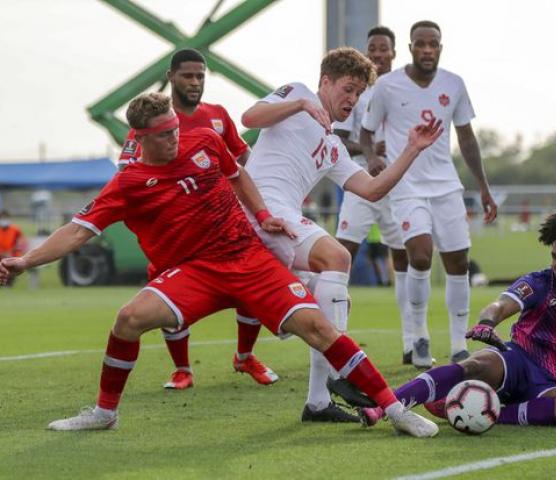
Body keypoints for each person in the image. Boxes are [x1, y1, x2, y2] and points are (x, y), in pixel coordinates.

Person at [0, 92, 439, 438]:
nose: (175, 138)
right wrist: (24, 260)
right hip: (196, 271)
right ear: (138, 138)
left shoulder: (205, 141)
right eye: (163, 134)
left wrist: (263, 213)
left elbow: (238, 175)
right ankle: (103, 413)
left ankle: (395, 410)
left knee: (321, 328)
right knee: (129, 318)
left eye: (174, 128)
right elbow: (76, 232)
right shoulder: (127, 183)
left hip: (248, 259)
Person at [241, 47, 443, 423]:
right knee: (338, 257)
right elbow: (250, 116)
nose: (352, 100)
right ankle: (342, 373)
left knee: (333, 303)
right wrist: (301, 104)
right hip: (260, 211)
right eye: (347, 89)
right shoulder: (298, 93)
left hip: (281, 220)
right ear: (325, 82)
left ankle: (318, 402)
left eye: (358, 93)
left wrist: (412, 150)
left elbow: (372, 189)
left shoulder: (333, 146)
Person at [351, 210, 556, 428]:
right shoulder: (540, 282)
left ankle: (484, 410)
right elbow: (501, 304)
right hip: (521, 361)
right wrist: (487, 323)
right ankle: (384, 406)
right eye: (555, 256)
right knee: (478, 362)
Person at [118, 48, 276, 390]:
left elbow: (244, 158)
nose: (194, 82)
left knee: (250, 287)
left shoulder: (217, 116)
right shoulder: (152, 121)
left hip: (223, 228)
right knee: (168, 294)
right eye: (187, 75)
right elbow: (126, 169)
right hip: (175, 232)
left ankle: (245, 357)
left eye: (200, 76)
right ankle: (183, 369)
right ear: (171, 76)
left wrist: (269, 192)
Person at [360, 20, 497, 369]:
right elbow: (365, 132)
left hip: (446, 187)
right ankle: (419, 337)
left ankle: (458, 344)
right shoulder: (388, 86)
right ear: (410, 48)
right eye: (420, 44)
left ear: (440, 47)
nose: (426, 50)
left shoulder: (454, 84)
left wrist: (482, 187)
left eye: (432, 44)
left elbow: (466, 138)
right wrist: (374, 156)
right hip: (405, 186)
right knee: (419, 257)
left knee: (459, 264)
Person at [333, 26, 414, 363]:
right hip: (362, 182)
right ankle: (336, 341)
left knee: (404, 260)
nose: (379, 54)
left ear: (395, 52)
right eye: (372, 49)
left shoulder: (408, 90)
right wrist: (368, 150)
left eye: (384, 48)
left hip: (399, 187)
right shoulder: (358, 91)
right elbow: (338, 136)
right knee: (341, 256)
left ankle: (413, 341)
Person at [0, 210, 26, 287]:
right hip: (1, 255)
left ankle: (8, 284)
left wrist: (11, 251)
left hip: (12, 255)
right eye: (2, 218)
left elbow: (21, 242)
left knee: (12, 263)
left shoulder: (15, 230)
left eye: (5, 218)